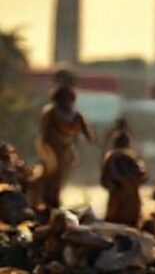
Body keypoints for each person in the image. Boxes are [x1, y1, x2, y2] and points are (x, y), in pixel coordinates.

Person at [35, 69, 94, 209]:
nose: (68, 103)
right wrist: (49, 148)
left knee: (63, 172)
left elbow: (87, 133)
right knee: (52, 171)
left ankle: (55, 195)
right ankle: (45, 198)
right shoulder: (50, 112)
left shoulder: (75, 115)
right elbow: (44, 131)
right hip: (49, 146)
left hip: (65, 148)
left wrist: (90, 140)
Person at [100, 131, 147, 227]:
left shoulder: (111, 158)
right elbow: (142, 176)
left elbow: (104, 181)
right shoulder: (132, 158)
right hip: (130, 200)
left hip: (118, 200)